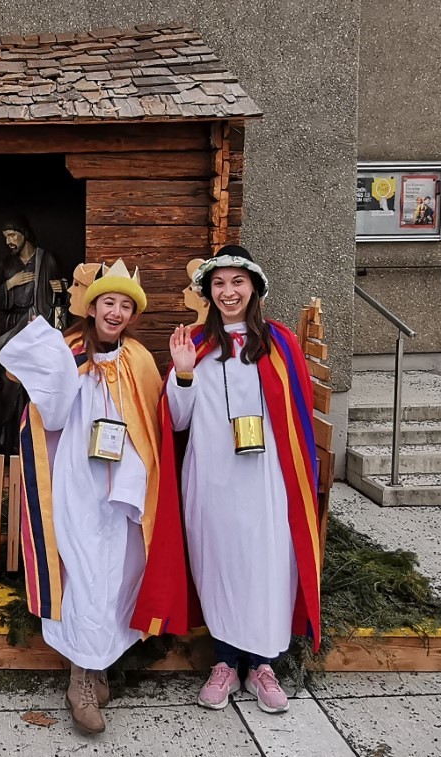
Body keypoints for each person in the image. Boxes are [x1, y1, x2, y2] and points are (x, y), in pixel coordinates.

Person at [131, 245, 321, 715]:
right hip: (211, 479)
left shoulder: (279, 344)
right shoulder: (195, 344)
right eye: (219, 283)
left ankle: (263, 666)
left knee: (265, 567)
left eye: (237, 281)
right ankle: (225, 663)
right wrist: (182, 373)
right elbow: (177, 422)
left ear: (254, 287)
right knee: (219, 566)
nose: (228, 291)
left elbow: (297, 422)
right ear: (208, 291)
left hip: (264, 481)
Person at [0, 259, 162, 734]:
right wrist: (50, 365)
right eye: (108, 301)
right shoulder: (68, 351)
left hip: (125, 491)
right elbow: (49, 415)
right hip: (78, 484)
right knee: (85, 577)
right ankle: (79, 682)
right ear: (92, 307)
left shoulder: (139, 360)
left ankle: (99, 664)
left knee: (119, 578)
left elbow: (153, 422)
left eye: (125, 305)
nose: (116, 312)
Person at [0, 217, 60, 454]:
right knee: (10, 383)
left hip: (37, 330)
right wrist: (10, 284)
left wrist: (62, 290)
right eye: (5, 237)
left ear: (24, 233)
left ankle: (31, 443)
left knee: (34, 387)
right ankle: (9, 442)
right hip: (12, 330)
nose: (9, 241)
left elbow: (61, 299)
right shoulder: (8, 264)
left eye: (12, 235)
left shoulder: (46, 260)